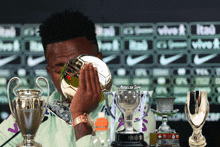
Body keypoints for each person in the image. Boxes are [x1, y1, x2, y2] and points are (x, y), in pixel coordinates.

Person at [0, 10, 156, 147]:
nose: (71, 79)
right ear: (49, 71)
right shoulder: (30, 113)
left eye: (80, 66)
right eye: (60, 69)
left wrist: (79, 114)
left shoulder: (134, 110)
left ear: (100, 62)